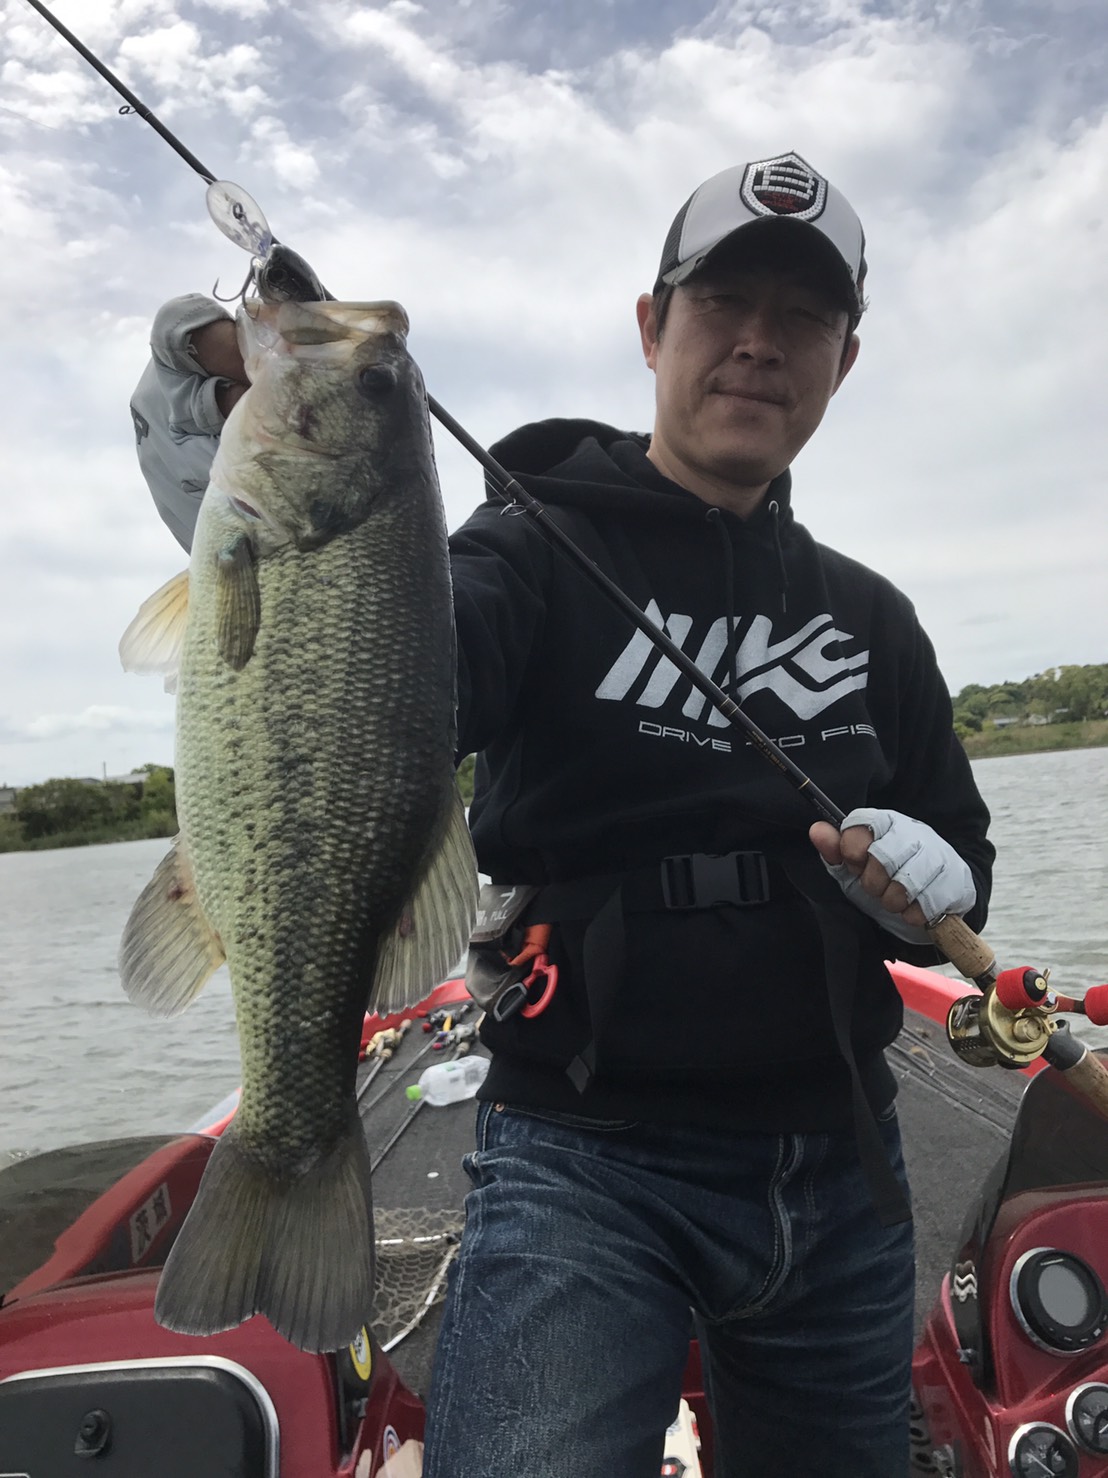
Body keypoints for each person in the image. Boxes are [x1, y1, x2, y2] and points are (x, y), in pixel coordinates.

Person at [131, 149, 993, 1478]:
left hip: (843, 1161)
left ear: (845, 360)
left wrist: (940, 891)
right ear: (652, 327)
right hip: (584, 1159)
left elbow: (963, 875)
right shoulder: (524, 552)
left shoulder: (874, 617)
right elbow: (398, 678)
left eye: (803, 317)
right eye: (723, 303)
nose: (759, 343)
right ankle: (288, 1154)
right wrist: (233, 503)